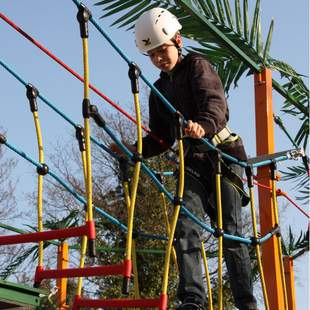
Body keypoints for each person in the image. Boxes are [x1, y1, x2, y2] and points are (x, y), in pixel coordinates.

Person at [111, 7, 258, 310]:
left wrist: (202, 125)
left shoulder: (198, 67)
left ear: (177, 40)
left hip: (222, 157)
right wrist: (134, 149)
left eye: (162, 50)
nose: (158, 58)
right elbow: (161, 138)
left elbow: (215, 105)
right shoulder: (159, 91)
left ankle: (246, 303)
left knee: (231, 233)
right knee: (185, 226)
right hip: (192, 163)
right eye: (151, 54)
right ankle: (192, 299)